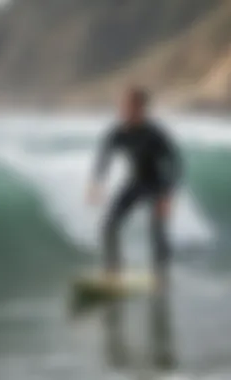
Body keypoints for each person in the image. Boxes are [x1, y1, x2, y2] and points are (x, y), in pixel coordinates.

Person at [87, 86, 182, 289]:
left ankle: (161, 275)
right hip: (135, 183)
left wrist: (167, 195)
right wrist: (97, 183)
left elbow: (175, 163)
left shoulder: (155, 134)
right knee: (109, 226)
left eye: (129, 106)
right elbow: (104, 157)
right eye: (122, 106)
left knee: (157, 230)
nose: (123, 110)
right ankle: (114, 272)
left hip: (157, 184)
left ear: (141, 108)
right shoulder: (118, 132)